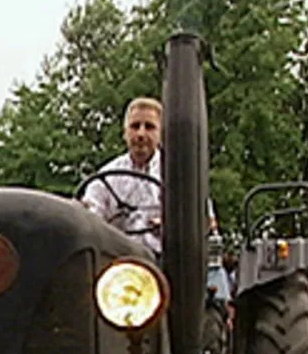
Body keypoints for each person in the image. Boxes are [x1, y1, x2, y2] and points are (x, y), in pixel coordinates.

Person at [80, 97, 216, 257]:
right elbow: (91, 218)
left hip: (168, 259)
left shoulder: (180, 174)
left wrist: (172, 226)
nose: (141, 134)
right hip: (120, 263)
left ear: (161, 134)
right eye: (135, 126)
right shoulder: (105, 177)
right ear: (125, 133)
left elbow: (207, 221)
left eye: (149, 127)